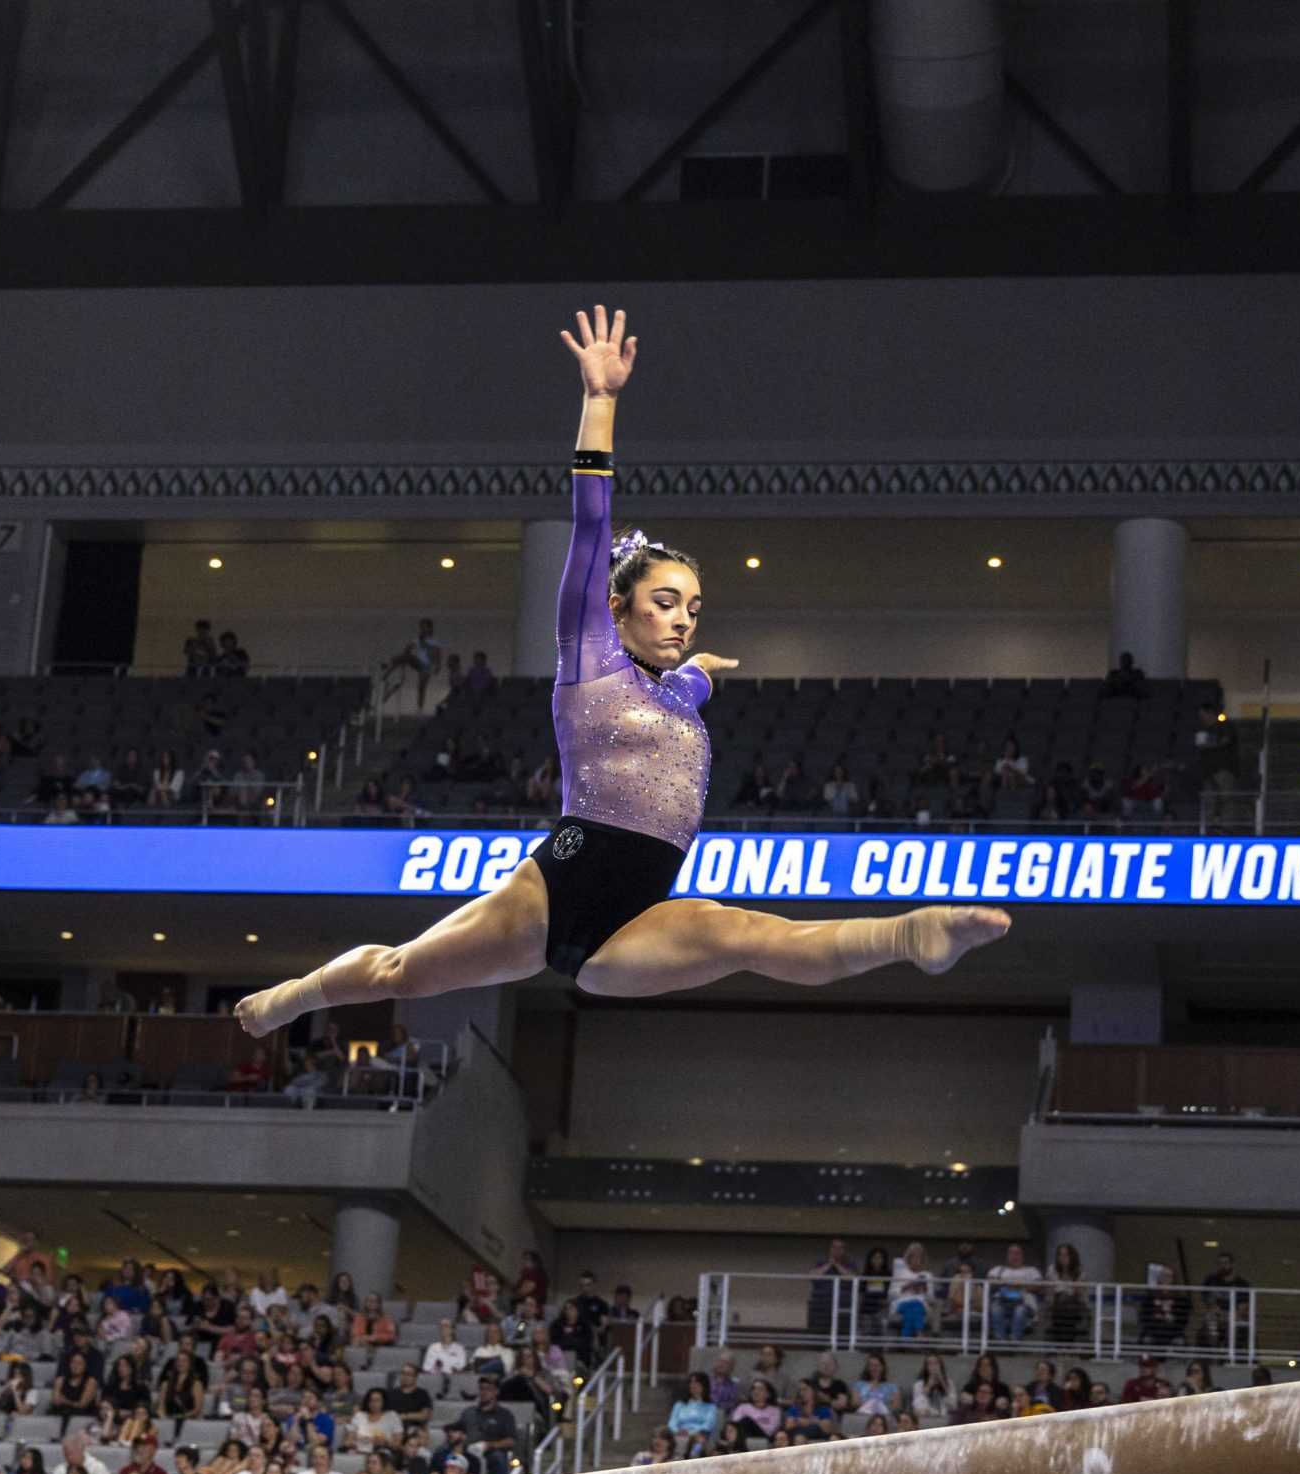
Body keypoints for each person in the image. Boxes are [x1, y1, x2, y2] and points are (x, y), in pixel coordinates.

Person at [232, 308, 1006, 1038]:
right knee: (403, 969)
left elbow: (685, 684)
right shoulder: (588, 660)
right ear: (616, 604)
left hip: (637, 918)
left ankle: (914, 932)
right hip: (555, 888)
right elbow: (592, 521)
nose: (682, 618)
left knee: (748, 934)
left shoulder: (679, 693)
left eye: (694, 608)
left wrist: (699, 671)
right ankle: (290, 997)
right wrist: (599, 399)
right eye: (666, 602)